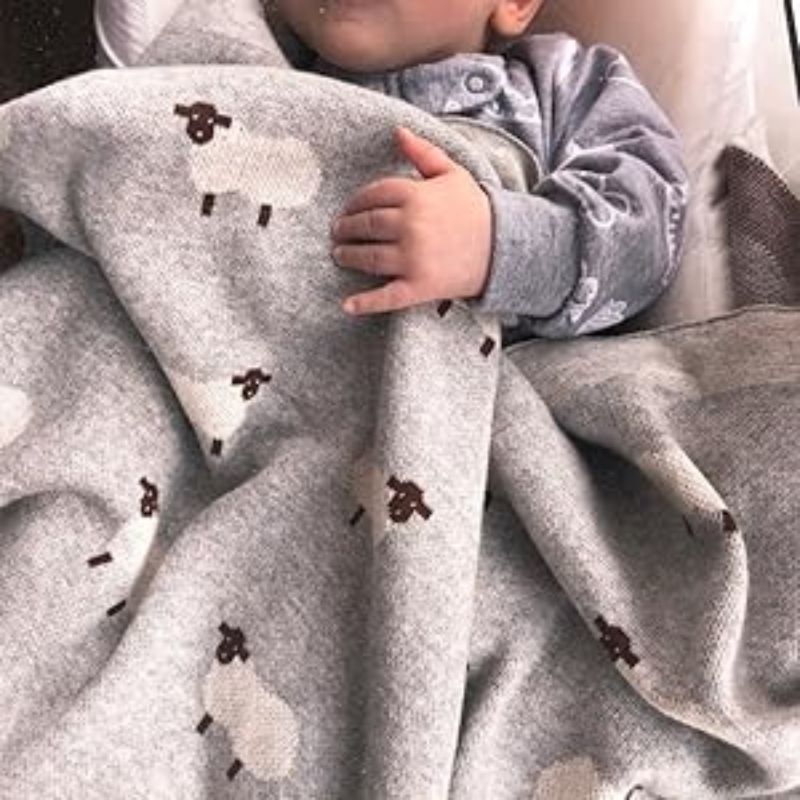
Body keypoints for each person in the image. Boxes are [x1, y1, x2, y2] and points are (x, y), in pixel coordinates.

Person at [272, 0, 684, 343]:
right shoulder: (258, 49)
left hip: (476, 399)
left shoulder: (560, 86)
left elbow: (650, 228)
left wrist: (499, 245)